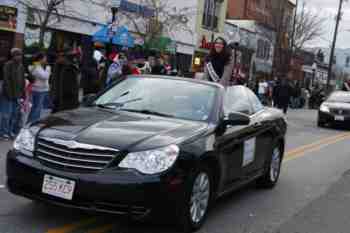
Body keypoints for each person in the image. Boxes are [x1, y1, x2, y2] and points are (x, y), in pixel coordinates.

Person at [0, 48, 25, 139]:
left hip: (17, 94)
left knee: (14, 114)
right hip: (8, 94)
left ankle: (10, 131)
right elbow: (6, 80)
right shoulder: (8, 65)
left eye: (20, 55)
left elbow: (22, 81)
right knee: (6, 114)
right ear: (13, 56)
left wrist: (22, 94)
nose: (19, 57)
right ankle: (3, 132)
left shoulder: (21, 66)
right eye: (17, 55)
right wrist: (9, 94)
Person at [51, 48, 80, 113]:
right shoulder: (69, 68)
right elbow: (69, 87)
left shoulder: (59, 65)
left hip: (59, 99)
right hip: (67, 101)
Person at [27, 52, 51, 123]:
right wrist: (48, 69)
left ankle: (33, 122)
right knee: (36, 108)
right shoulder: (36, 67)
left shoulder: (39, 66)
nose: (46, 60)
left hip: (42, 89)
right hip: (38, 90)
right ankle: (32, 123)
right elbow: (45, 76)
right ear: (40, 59)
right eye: (45, 58)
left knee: (38, 108)